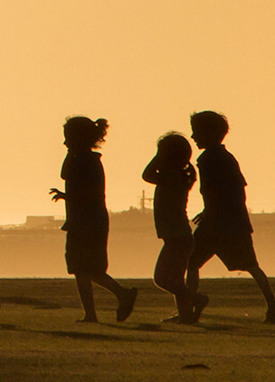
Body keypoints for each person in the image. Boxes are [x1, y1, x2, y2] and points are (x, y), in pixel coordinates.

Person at [186, 111, 275, 324]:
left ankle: (188, 309)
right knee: (251, 265)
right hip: (235, 222)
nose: (193, 136)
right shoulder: (227, 157)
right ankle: (273, 305)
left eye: (196, 132)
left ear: (208, 133)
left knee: (191, 261)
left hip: (218, 224)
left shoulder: (207, 159)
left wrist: (210, 215)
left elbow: (211, 192)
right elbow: (238, 191)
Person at [50, 116, 137, 323]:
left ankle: (93, 313)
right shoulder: (82, 161)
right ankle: (120, 295)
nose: (65, 143)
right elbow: (64, 174)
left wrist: (66, 196)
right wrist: (70, 153)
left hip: (87, 224)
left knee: (83, 270)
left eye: (68, 139)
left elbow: (89, 194)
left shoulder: (88, 163)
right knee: (87, 270)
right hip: (85, 223)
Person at [142, 132, 208, 324]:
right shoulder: (178, 175)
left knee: (161, 278)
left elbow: (146, 174)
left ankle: (198, 299)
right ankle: (186, 316)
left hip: (176, 236)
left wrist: (158, 156)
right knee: (177, 280)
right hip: (180, 235)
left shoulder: (170, 177)